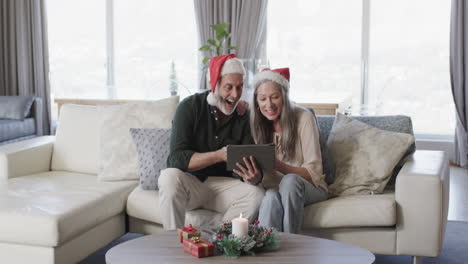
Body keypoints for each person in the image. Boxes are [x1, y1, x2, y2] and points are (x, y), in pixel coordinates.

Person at [158, 54, 264, 230]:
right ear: (213, 85)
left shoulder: (244, 115)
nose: (235, 94)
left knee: (257, 194)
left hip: (224, 186)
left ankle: (221, 241)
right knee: (168, 177)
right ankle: (173, 243)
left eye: (239, 87)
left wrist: (253, 177)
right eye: (228, 87)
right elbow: (176, 159)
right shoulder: (189, 107)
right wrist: (218, 155)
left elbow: (246, 166)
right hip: (192, 184)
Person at [244, 67, 328, 234]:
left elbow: (314, 172)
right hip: (273, 189)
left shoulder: (304, 117)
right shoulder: (255, 123)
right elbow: (261, 180)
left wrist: (278, 165)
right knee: (269, 199)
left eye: (275, 97)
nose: (269, 104)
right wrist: (253, 178)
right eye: (262, 99)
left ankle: (293, 246)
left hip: (310, 187)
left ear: (284, 96)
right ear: (256, 101)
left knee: (289, 181)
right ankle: (268, 255)